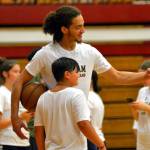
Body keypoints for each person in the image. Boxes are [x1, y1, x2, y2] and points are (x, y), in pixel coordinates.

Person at [11, 5, 150, 147]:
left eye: (83, 26)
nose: (83, 30)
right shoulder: (46, 54)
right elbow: (18, 83)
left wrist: (145, 75)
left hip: (84, 124)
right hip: (57, 130)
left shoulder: (89, 52)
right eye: (78, 27)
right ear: (64, 29)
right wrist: (14, 117)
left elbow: (118, 76)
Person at [34, 57, 106, 150]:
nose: (78, 75)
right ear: (67, 74)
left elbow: (38, 130)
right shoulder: (77, 94)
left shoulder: (42, 98)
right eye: (76, 72)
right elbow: (83, 124)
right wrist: (101, 144)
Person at [0, 57, 33, 150]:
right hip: (7, 143)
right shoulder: (1, 93)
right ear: (5, 74)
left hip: (25, 142)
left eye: (20, 72)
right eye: (15, 71)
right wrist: (20, 117)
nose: (19, 74)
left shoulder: (22, 93)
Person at [130, 60, 150, 150]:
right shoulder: (142, 91)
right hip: (143, 137)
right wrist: (134, 109)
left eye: (142, 76)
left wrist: (146, 107)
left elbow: (145, 108)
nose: (140, 79)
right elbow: (137, 118)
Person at [87, 70, 106, 150]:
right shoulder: (96, 97)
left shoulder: (86, 97)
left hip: (91, 141)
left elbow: (86, 124)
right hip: (99, 138)